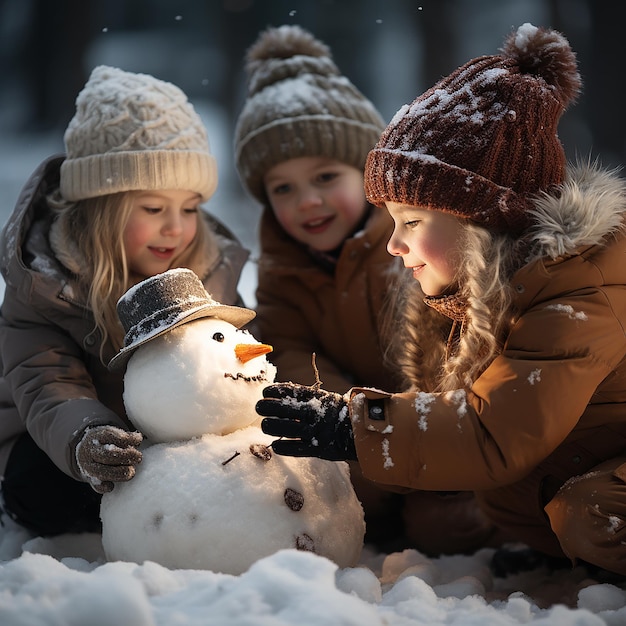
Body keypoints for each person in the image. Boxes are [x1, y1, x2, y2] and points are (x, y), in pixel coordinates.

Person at [256, 22, 626, 578]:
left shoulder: (576, 291)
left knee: (592, 514)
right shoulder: (478, 290)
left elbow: (495, 430)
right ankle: (563, 546)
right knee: (507, 495)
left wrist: (352, 424)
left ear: (480, 220)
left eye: (412, 221)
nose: (394, 243)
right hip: (585, 465)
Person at [236, 24, 499, 555]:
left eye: (326, 177)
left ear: (366, 172)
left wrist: (400, 423)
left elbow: (453, 351)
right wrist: (350, 415)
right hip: (357, 429)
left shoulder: (412, 243)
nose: (307, 201)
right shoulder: (284, 267)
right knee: (343, 495)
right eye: (283, 189)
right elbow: (289, 348)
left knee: (449, 526)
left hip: (433, 427)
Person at [0, 65, 249, 537]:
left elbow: (228, 361)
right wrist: (87, 437)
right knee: (41, 491)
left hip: (164, 437)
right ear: (100, 210)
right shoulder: (45, 285)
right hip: (60, 441)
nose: (176, 227)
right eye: (154, 209)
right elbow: (46, 383)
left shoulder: (207, 271)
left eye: (190, 208)